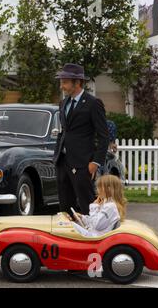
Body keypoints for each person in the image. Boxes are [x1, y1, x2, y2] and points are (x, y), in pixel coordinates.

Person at [53, 63, 109, 216]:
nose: (62, 86)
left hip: (83, 164)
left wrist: (95, 163)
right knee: (65, 208)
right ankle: (67, 237)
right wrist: (56, 156)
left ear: (77, 82)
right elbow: (65, 131)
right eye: (61, 82)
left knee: (87, 206)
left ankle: (92, 237)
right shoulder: (63, 103)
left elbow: (104, 136)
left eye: (64, 82)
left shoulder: (93, 103)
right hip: (63, 162)